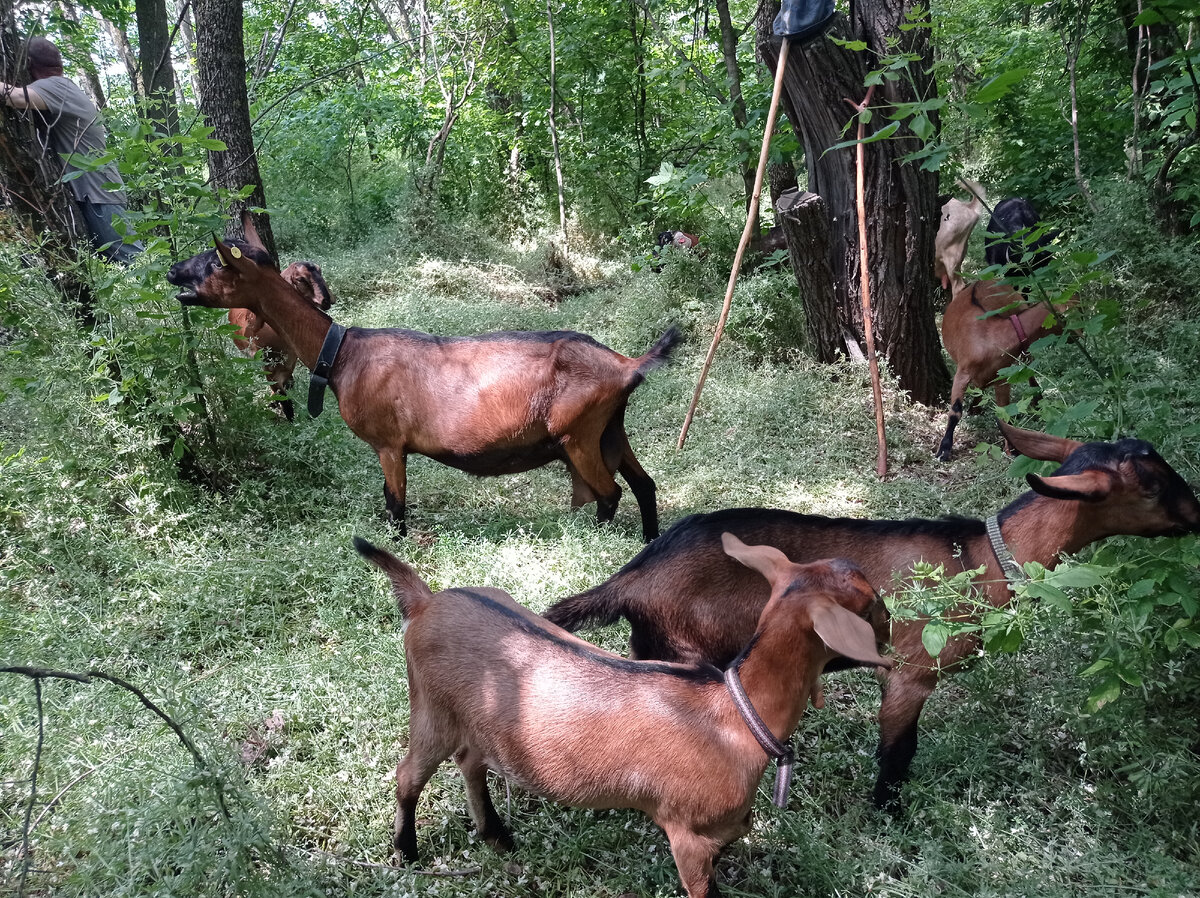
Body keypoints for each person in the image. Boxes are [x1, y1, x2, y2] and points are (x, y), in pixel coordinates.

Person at [0, 36, 142, 264]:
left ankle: (168, 298)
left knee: (131, 261)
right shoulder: (63, 86)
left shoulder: (57, 87)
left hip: (98, 194)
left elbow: (13, 97)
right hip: (98, 191)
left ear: (27, 62)